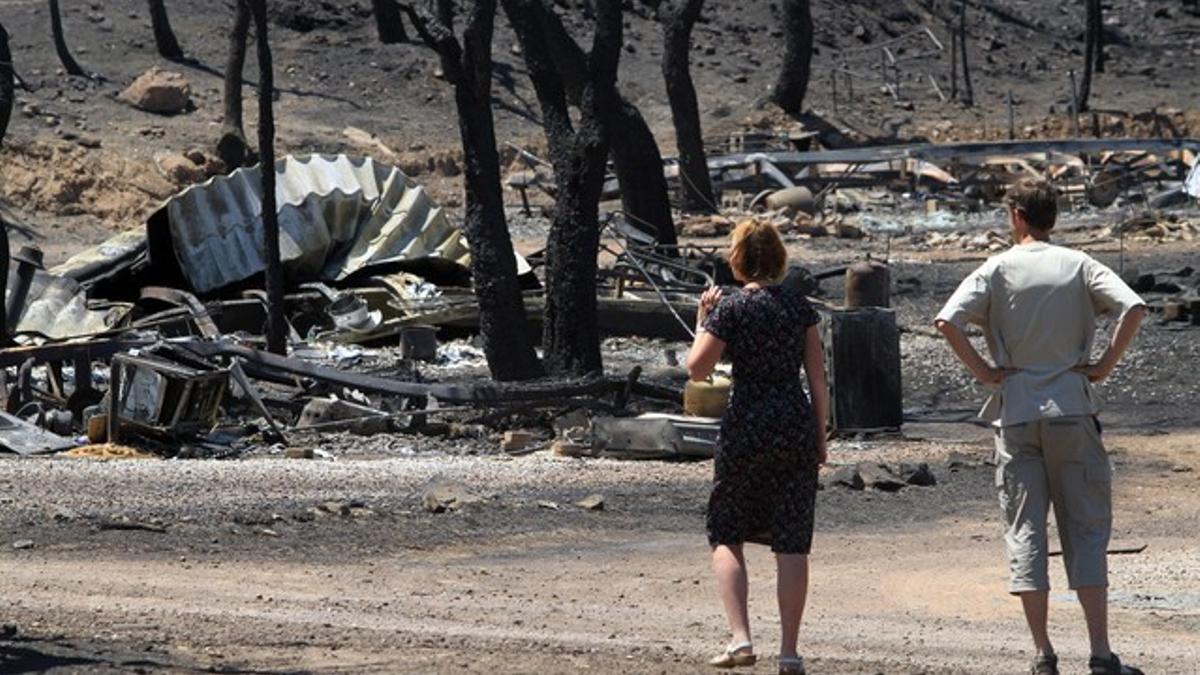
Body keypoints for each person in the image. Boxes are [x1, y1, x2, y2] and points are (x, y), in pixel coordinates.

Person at [933, 178, 1147, 675]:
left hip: (1017, 410)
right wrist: (1104, 365)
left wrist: (986, 372)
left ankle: (1043, 653)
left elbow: (947, 321)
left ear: (1016, 217)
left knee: (1025, 530)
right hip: (1072, 407)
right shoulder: (1078, 265)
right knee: (1087, 529)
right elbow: (1133, 306)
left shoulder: (997, 268)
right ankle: (1099, 652)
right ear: (1053, 217)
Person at [686, 220, 828, 675]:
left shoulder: (731, 309)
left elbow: (697, 369)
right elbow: (817, 377)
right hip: (793, 422)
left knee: (726, 530)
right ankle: (789, 651)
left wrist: (701, 321)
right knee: (791, 539)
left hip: (746, 424)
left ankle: (741, 638)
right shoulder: (800, 307)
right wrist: (820, 434)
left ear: (739, 259)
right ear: (780, 257)